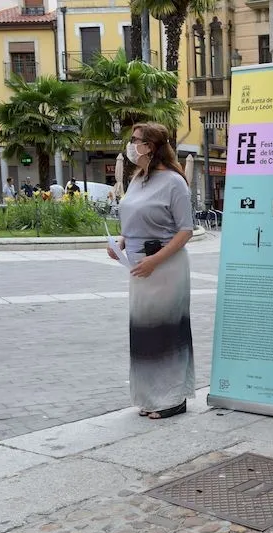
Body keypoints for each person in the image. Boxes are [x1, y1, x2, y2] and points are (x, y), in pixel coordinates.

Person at [108, 122, 196, 420]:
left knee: (167, 331)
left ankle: (173, 398)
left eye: (136, 140)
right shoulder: (136, 179)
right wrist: (119, 242)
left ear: (151, 146)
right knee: (144, 333)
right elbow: (131, 221)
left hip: (165, 266)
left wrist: (155, 260)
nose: (131, 145)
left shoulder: (174, 182)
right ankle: (150, 396)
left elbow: (186, 231)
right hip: (138, 267)